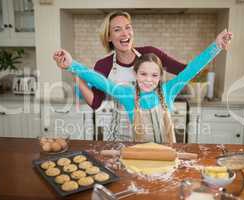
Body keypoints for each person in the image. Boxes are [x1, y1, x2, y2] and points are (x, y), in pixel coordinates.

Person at [54, 30, 232, 143]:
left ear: (160, 76)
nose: (148, 80)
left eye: (154, 75)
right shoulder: (126, 94)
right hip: (139, 157)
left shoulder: (168, 90)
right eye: (143, 74)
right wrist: (71, 64)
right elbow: (100, 80)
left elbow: (192, 69)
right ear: (136, 74)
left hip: (167, 156)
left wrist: (217, 46)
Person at [54, 11, 187, 110]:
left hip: (151, 128)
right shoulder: (104, 65)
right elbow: (95, 103)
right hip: (119, 133)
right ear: (109, 37)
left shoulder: (150, 53)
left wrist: (206, 58)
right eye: (117, 30)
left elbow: (184, 71)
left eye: (128, 27)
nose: (125, 33)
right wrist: (71, 69)